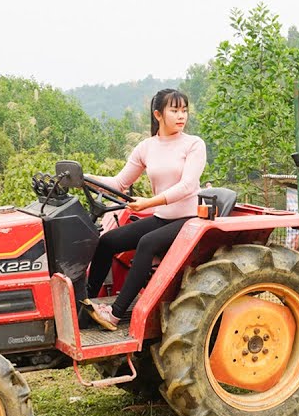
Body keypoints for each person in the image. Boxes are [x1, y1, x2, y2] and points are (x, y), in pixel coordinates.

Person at [82, 88, 206, 331]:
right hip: (162, 218)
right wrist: (84, 178)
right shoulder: (147, 147)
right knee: (108, 241)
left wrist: (148, 203)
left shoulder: (193, 144)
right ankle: (86, 304)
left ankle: (116, 315)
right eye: (175, 110)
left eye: (184, 111)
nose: (181, 116)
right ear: (158, 114)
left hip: (189, 220)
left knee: (147, 243)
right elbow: (119, 183)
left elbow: (187, 186)